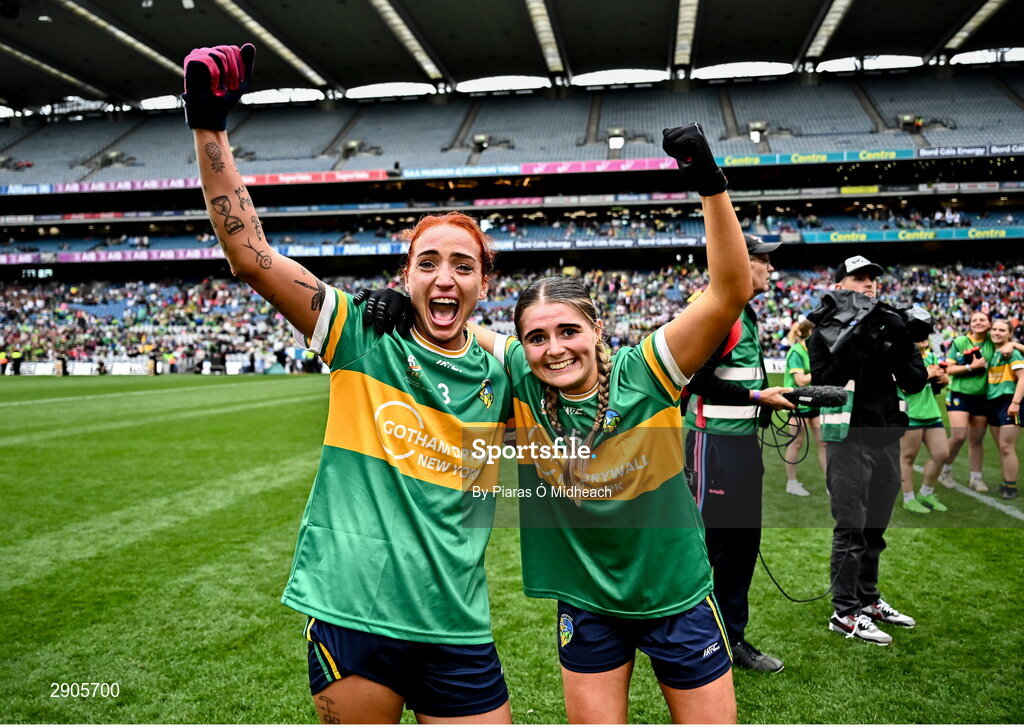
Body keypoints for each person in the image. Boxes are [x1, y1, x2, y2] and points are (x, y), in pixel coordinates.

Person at [366, 123, 752, 722]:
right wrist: (400, 305)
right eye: (536, 337)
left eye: (569, 331)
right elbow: (452, 323)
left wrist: (709, 186)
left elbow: (730, 291)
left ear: (598, 329)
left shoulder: (649, 371)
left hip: (676, 595)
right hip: (587, 604)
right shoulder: (521, 375)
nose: (554, 350)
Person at [183, 44, 513, 723]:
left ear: (485, 284)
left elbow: (583, 378)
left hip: (456, 620)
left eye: (462, 265)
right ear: (406, 275)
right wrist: (208, 125)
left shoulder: (504, 370)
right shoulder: (361, 335)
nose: (445, 276)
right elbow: (250, 255)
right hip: (354, 613)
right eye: (428, 262)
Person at [683, 235, 795, 673]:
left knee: (744, 546)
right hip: (714, 447)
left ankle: (732, 641)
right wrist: (756, 396)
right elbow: (694, 378)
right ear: (735, 263)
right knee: (711, 548)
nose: (770, 268)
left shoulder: (742, 310)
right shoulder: (718, 309)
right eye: (762, 260)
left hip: (742, 444)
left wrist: (764, 401)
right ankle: (695, 641)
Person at [808, 255, 928, 645]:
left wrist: (895, 342)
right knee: (851, 527)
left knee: (875, 526)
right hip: (847, 439)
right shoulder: (821, 331)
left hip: (885, 437)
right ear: (840, 285)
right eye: (859, 279)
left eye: (873, 279)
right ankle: (845, 612)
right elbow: (824, 386)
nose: (869, 285)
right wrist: (853, 340)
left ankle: (868, 598)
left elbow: (914, 381)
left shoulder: (893, 323)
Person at [939, 311, 993, 492]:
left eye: (982, 319)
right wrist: (971, 367)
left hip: (982, 396)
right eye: (974, 320)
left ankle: (976, 478)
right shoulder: (960, 342)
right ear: (970, 323)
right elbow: (948, 369)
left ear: (989, 323)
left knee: (976, 440)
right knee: (959, 436)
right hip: (959, 394)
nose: (978, 322)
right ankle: (944, 470)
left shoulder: (993, 343)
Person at [898, 337, 950, 514]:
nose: (923, 337)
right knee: (908, 456)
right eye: (917, 334)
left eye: (925, 333)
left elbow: (938, 384)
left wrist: (944, 379)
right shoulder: (901, 358)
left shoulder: (932, 357)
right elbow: (903, 387)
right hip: (910, 412)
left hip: (931, 412)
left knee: (942, 453)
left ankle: (926, 493)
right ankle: (908, 498)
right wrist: (928, 374)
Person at [782, 323, 827, 496]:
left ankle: (830, 483)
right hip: (797, 404)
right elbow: (800, 380)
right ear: (811, 333)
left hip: (815, 401)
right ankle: (791, 482)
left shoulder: (819, 351)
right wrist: (821, 368)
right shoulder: (796, 351)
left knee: (823, 443)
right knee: (796, 443)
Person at [985, 319, 1024, 499]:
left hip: (1008, 402)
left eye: (1002, 330)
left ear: (1009, 333)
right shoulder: (993, 352)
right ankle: (1005, 482)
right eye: (994, 329)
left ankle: (1011, 487)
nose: (997, 332)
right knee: (1002, 447)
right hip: (993, 403)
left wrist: (1015, 402)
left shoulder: (1013, 352)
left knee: (1006, 446)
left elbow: (1023, 378)